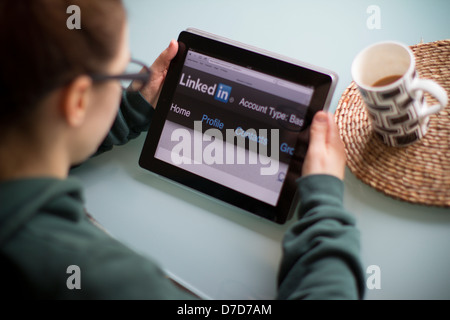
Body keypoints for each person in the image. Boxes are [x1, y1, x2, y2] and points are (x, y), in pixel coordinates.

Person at [0, 0, 364, 299]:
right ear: (78, 101)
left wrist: (132, 109)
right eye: (123, 73)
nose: (133, 80)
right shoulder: (110, 279)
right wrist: (325, 203)